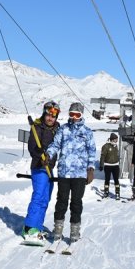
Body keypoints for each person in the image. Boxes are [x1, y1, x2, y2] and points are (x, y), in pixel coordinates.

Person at [45, 102, 96, 242]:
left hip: (79, 174)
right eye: (71, 114)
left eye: (77, 114)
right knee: (61, 201)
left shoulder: (87, 132)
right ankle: (58, 229)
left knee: (76, 202)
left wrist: (90, 169)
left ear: (81, 115)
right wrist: (49, 155)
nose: (74, 117)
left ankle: (74, 231)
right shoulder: (63, 130)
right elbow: (55, 145)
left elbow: (92, 151)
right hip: (64, 172)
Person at [21, 101, 60, 244]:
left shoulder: (57, 128)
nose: (50, 118)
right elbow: (32, 147)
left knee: (45, 198)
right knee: (38, 197)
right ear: (44, 114)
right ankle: (29, 229)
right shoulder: (36, 127)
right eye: (48, 115)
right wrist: (40, 155)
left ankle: (37, 227)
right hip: (39, 167)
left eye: (54, 116)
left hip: (50, 168)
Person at [99, 132, 121, 199]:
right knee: (107, 179)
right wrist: (101, 165)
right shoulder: (106, 146)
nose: (116, 141)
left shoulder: (115, 146)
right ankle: (106, 192)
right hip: (108, 165)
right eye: (115, 140)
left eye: (117, 140)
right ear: (112, 139)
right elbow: (102, 156)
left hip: (115, 165)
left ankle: (117, 193)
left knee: (116, 180)